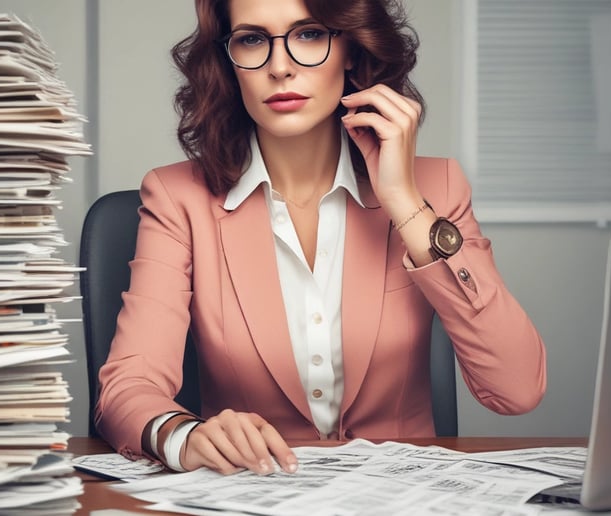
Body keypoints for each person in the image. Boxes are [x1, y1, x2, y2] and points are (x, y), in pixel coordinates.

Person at [95, 0, 546, 477]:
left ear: (350, 48)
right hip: (252, 493)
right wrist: (185, 435)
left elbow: (517, 389)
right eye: (252, 40)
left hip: (404, 498)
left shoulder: (437, 188)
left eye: (309, 34)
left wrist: (404, 201)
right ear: (228, 62)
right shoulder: (177, 197)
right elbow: (127, 386)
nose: (280, 67)